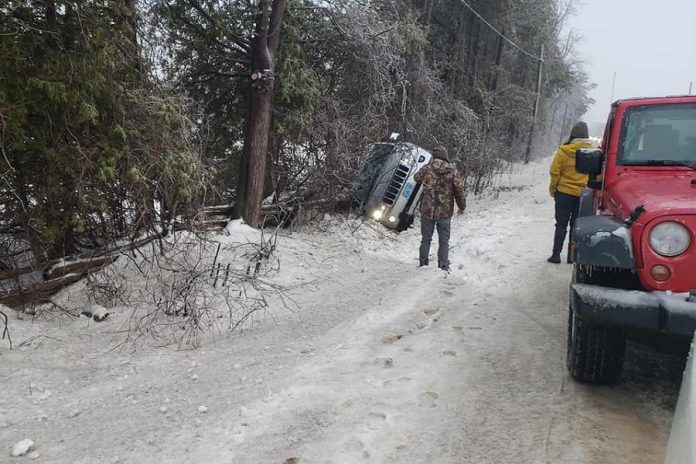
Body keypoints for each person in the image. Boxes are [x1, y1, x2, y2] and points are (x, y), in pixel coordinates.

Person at [548, 121, 596, 264]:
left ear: (572, 135)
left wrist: (553, 189)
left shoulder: (563, 151)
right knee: (576, 226)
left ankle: (556, 255)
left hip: (563, 193)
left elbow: (554, 171)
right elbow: (598, 174)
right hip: (583, 195)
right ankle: (572, 257)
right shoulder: (592, 152)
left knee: (561, 224)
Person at [414, 146, 466, 271]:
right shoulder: (452, 171)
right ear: (445, 156)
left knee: (426, 239)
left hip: (427, 210)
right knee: (444, 241)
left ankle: (423, 263)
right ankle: (443, 265)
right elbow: (459, 190)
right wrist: (462, 206)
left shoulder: (427, 168)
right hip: (445, 211)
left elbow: (416, 178)